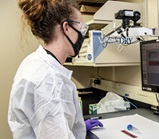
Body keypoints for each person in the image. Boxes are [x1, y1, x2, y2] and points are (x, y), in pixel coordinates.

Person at [8, 0, 103, 138]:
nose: (82, 35)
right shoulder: (48, 80)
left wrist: (77, 127)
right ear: (66, 28)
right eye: (82, 29)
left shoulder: (34, 61)